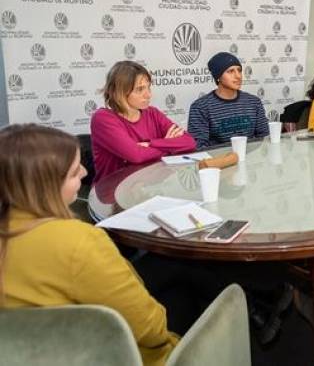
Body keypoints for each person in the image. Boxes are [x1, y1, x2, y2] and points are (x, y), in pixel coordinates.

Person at [0, 124, 179, 366]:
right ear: (44, 184)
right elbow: (152, 329)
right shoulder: (78, 241)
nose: (85, 172)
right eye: (74, 172)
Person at [91, 61, 196, 182]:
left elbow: (189, 142)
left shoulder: (152, 113)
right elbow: (137, 156)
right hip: (113, 193)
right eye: (140, 89)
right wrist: (169, 143)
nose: (148, 94)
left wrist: (152, 144)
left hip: (150, 186)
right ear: (118, 92)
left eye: (148, 87)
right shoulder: (103, 118)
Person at [188, 52, 269, 150]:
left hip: (251, 160)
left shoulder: (253, 102)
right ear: (218, 77)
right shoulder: (200, 107)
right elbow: (199, 147)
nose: (238, 76)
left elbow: (265, 137)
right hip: (219, 162)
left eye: (239, 70)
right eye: (230, 71)